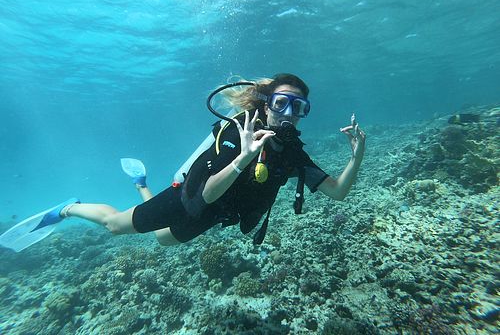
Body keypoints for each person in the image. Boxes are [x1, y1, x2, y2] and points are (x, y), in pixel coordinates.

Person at [31, 74, 366, 247]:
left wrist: (357, 157)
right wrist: (243, 158)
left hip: (216, 214)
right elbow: (206, 194)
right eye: (282, 103)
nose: (290, 114)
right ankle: (68, 208)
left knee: (161, 239)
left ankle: (141, 185)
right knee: (116, 226)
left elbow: (337, 191)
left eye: (300, 107)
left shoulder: (292, 152)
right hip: (192, 197)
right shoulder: (238, 134)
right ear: (266, 105)